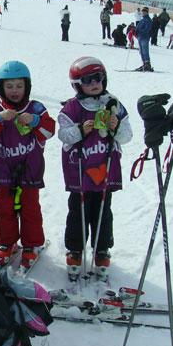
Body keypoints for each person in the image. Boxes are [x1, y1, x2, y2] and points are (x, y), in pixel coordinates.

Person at [58, 57, 132, 281]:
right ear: (77, 84)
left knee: (102, 211)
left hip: (104, 169)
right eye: (88, 80)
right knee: (77, 212)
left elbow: (127, 136)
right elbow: (64, 135)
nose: (94, 83)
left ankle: (101, 249)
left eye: (98, 78)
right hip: (80, 170)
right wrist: (81, 130)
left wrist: (115, 126)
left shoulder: (114, 104)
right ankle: (75, 249)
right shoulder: (72, 107)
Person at [0, 62, 55, 268]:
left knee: (30, 208)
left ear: (27, 87)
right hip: (2, 170)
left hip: (29, 169)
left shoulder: (36, 108)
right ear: (1, 88)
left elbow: (49, 130)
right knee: (4, 209)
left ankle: (31, 245)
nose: (14, 91)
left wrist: (35, 121)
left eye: (19, 86)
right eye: (10, 86)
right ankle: (6, 242)